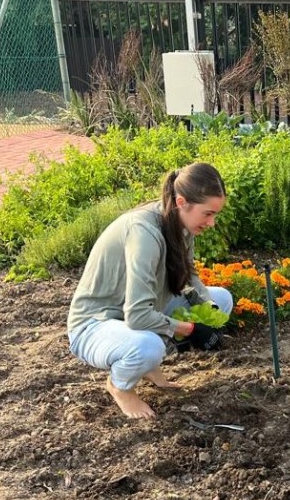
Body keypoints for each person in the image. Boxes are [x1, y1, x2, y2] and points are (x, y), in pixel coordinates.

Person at [67, 162, 233, 420]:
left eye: (215, 215)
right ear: (181, 202)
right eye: (208, 214)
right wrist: (191, 329)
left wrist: (207, 308)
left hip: (138, 312)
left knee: (220, 300)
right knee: (148, 346)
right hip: (94, 325)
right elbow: (137, 316)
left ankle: (148, 366)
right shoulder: (144, 233)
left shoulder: (179, 223)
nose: (211, 223)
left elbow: (189, 274)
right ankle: (120, 387)